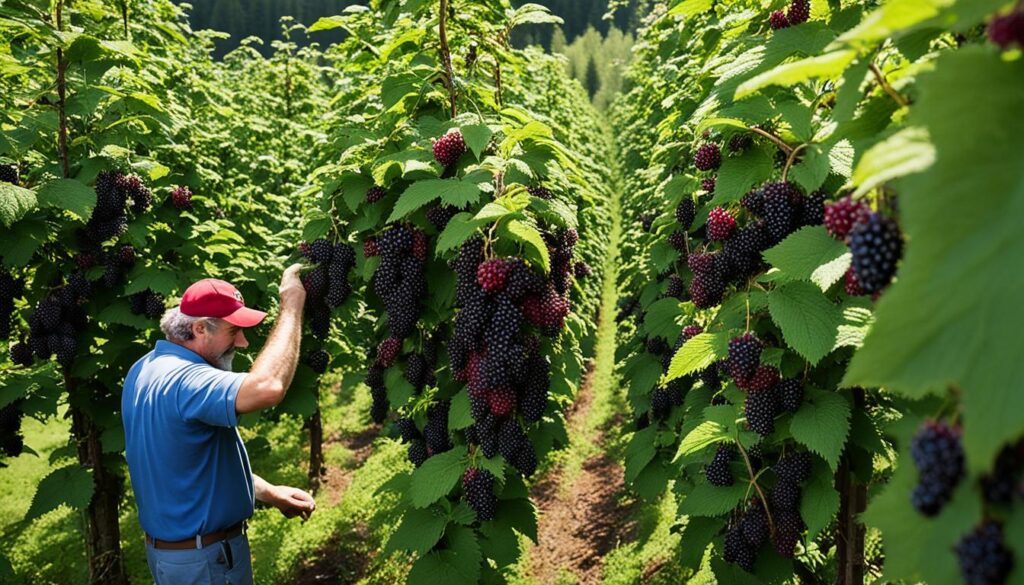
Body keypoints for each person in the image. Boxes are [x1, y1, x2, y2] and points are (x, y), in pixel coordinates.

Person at [122, 265, 314, 585]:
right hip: (206, 564)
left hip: (179, 558)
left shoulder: (143, 370)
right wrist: (292, 304)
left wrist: (271, 493)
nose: (242, 343)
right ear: (200, 329)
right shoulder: (187, 380)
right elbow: (268, 387)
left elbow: (189, 468)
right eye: (232, 331)